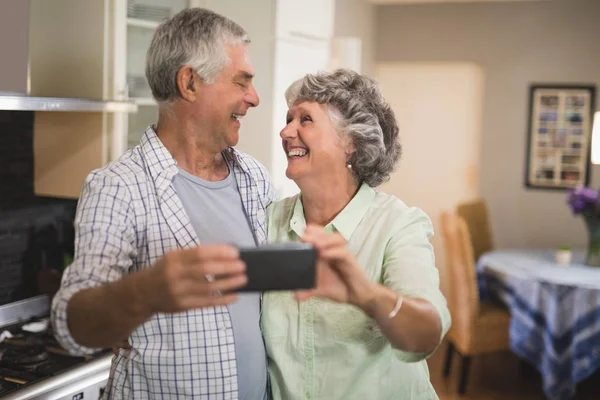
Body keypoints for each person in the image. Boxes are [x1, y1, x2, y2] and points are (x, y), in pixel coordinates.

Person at [51, 8, 275, 399]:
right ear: (189, 83)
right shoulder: (119, 187)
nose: (253, 98)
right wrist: (142, 294)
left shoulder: (254, 179)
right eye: (241, 82)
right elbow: (72, 326)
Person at [261, 69, 451, 400]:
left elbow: (426, 335)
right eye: (288, 118)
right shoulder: (268, 222)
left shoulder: (397, 225)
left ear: (350, 143)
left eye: (305, 120)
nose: (285, 130)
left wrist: (365, 295)